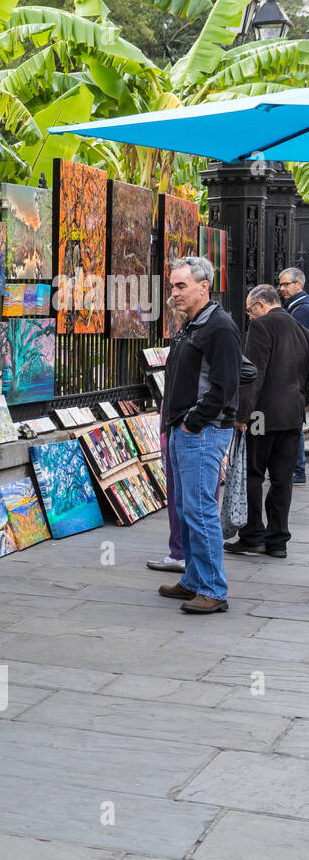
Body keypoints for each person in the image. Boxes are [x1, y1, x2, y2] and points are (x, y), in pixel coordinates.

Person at [158, 256, 242, 615]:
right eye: (173, 286)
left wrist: (195, 420)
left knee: (201, 509)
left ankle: (212, 588)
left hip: (202, 432)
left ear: (203, 286)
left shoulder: (218, 326)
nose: (174, 292)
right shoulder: (192, 323)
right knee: (185, 507)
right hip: (184, 428)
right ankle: (194, 579)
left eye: (181, 286)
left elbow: (227, 383)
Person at [225, 284, 309, 558]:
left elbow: (253, 374)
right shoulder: (300, 328)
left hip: (262, 416)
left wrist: (242, 414)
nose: (250, 317)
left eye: (250, 311)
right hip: (292, 415)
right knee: (282, 479)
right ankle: (278, 541)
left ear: (261, 305)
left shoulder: (262, 327)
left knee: (253, 474)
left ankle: (252, 535)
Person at [147, 299, 192, 574]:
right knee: (186, 497)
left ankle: (182, 554)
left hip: (186, 426)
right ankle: (185, 555)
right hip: (180, 423)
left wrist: (195, 418)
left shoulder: (196, 335)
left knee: (185, 497)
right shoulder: (187, 335)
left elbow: (240, 372)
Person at [276, 267, 309, 483]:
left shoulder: (302, 309)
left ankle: (297, 470)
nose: (282, 288)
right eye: (280, 284)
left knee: (292, 421)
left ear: (299, 285)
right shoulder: (293, 307)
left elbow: (298, 343)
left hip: (295, 376)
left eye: (286, 284)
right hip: (294, 377)